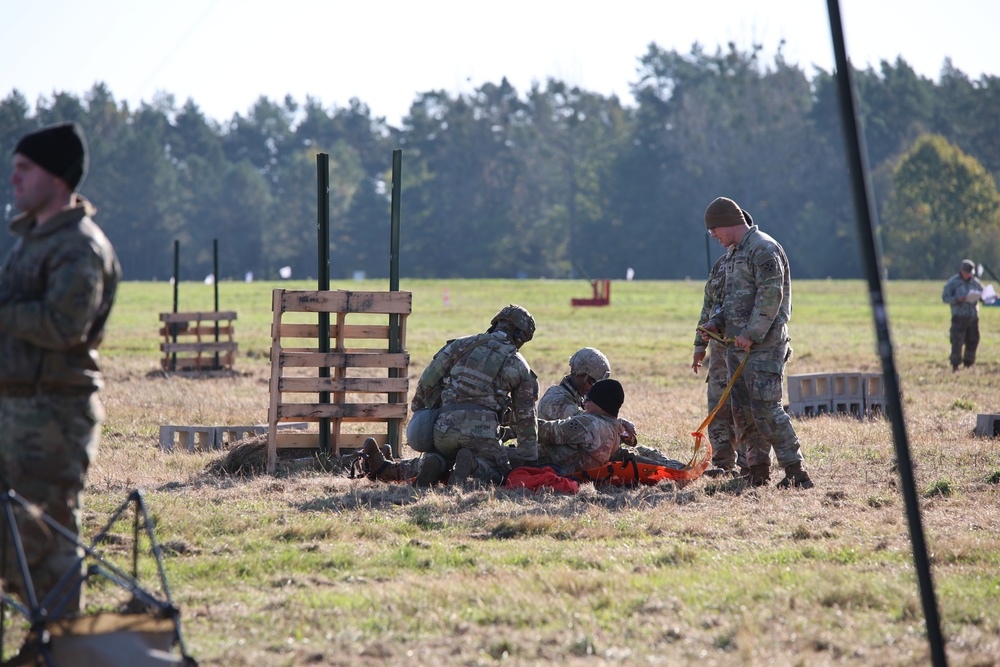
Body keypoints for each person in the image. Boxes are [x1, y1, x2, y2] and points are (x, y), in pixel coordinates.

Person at [0, 122, 122, 614]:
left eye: (25, 169)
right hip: (17, 408)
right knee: (13, 540)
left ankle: (59, 647)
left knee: (44, 542)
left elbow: (62, 325)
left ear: (56, 178)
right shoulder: (32, 240)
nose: (14, 180)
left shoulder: (78, 245)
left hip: (52, 414)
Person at [698, 196, 813, 489]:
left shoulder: (763, 248)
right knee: (743, 412)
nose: (713, 236)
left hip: (763, 347)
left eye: (714, 230)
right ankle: (756, 469)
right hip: (739, 348)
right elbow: (735, 301)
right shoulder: (737, 252)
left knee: (766, 409)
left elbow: (769, 297)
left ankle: (795, 471)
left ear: (727, 223)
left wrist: (751, 334)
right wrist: (717, 322)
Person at [410, 304, 539, 487]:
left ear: (496, 323)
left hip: (444, 428)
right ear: (520, 337)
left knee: (444, 454)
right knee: (501, 476)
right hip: (483, 434)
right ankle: (472, 466)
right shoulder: (520, 366)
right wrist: (529, 461)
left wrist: (418, 410)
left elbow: (427, 381)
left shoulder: (461, 344)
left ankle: (437, 463)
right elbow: (526, 420)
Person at [692, 232, 744, 476]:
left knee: (742, 407)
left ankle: (748, 464)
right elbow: (708, 306)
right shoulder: (721, 265)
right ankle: (722, 463)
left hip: (744, 347)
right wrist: (699, 346)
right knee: (717, 406)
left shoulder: (753, 263)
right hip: (718, 349)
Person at [536, 379, 625, 475]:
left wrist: (521, 421)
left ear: (600, 405)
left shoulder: (587, 423)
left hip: (546, 466)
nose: (584, 403)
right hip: (582, 475)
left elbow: (544, 432)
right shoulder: (616, 431)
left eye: (587, 399)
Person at [941, 259, 984, 371]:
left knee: (973, 340)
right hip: (959, 317)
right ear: (961, 270)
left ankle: (968, 364)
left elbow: (983, 295)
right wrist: (956, 299)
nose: (968, 274)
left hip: (973, 317)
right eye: (966, 272)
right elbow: (945, 298)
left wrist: (990, 297)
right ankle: (955, 364)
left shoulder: (975, 282)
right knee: (957, 341)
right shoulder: (953, 282)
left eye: (970, 272)